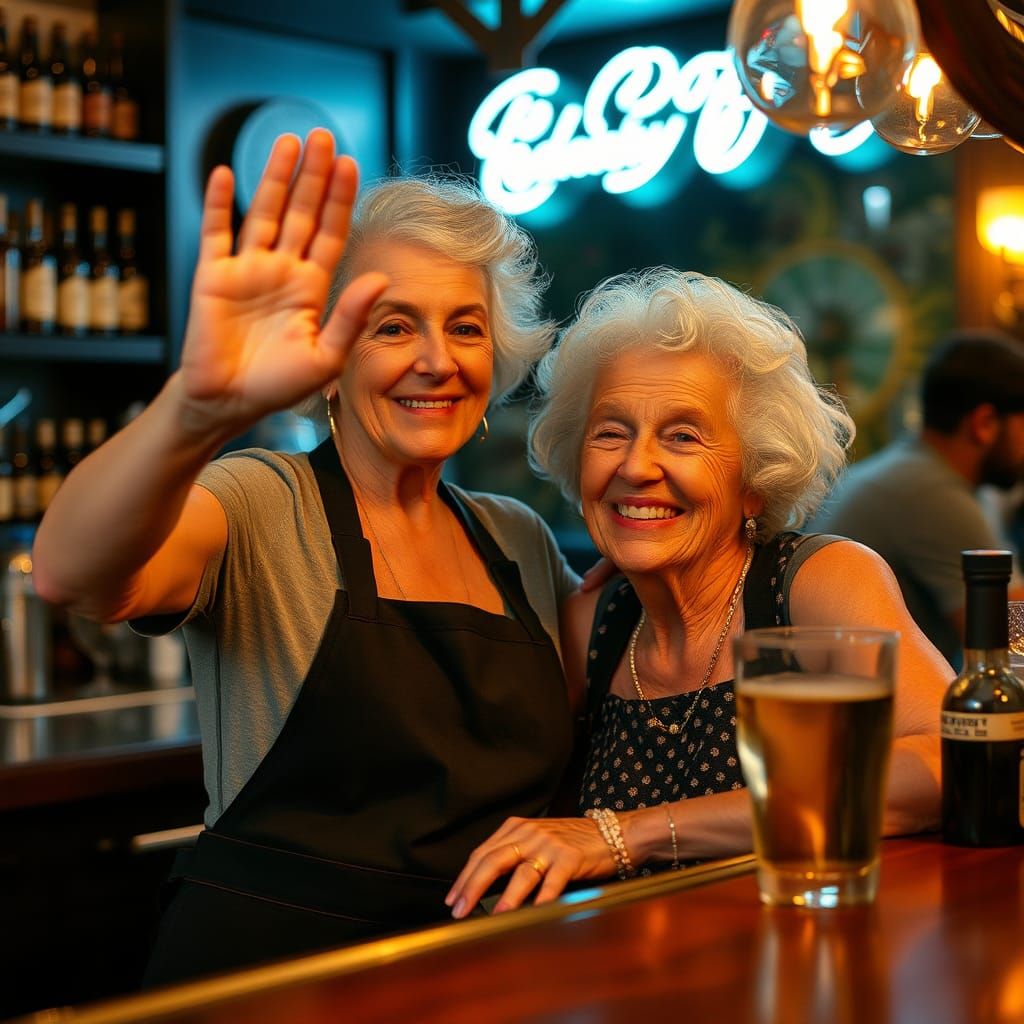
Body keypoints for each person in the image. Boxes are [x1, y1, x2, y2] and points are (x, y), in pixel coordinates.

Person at [31, 130, 580, 984]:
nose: (436, 360)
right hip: (274, 981)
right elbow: (73, 574)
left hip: (476, 975)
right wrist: (197, 408)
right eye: (391, 325)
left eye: (464, 327)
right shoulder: (257, 500)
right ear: (325, 363)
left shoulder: (518, 538)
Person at [445, 269, 950, 918]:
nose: (635, 466)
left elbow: (943, 759)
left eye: (683, 435)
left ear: (754, 481)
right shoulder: (590, 626)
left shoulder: (817, 583)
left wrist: (627, 833)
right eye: (611, 432)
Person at [811, 330, 1024, 665]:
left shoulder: (916, 471)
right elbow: (1013, 650)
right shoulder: (929, 494)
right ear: (984, 424)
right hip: (858, 712)